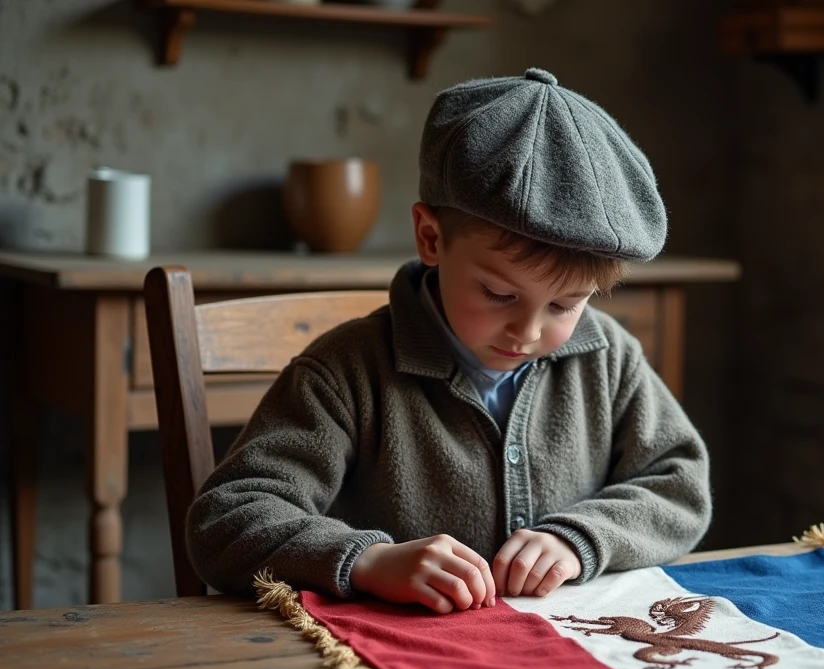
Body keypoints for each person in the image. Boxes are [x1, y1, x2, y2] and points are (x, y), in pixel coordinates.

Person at [186, 68, 712, 614]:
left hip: (568, 655)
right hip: (392, 665)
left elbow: (680, 487)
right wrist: (366, 561)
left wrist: (579, 540)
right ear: (431, 237)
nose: (528, 333)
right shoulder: (344, 372)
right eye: (499, 293)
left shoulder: (609, 357)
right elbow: (226, 520)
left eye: (563, 305)